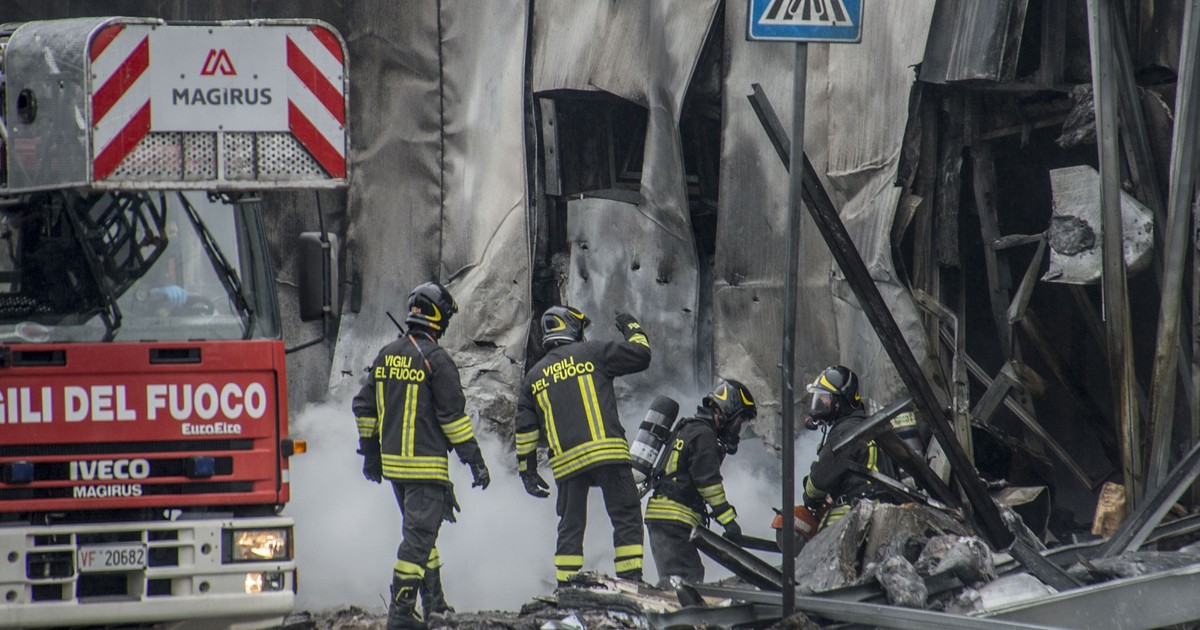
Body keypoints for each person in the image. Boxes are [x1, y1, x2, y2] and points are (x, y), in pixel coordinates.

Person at [351, 281, 491, 629]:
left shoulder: (386, 355)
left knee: (423, 536)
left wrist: (371, 454)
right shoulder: (436, 360)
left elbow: (364, 407)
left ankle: (435, 605)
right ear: (437, 316)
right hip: (425, 468)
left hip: (395, 469)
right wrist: (475, 461)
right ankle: (400, 614)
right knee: (417, 541)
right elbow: (453, 420)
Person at [514, 305, 652, 585]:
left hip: (567, 465)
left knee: (570, 527)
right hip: (608, 454)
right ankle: (631, 581)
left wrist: (527, 472)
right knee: (625, 516)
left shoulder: (533, 377)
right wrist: (631, 326)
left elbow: (525, 430)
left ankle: (566, 586)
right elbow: (641, 355)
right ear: (573, 328)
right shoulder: (593, 353)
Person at [644, 378, 756, 587]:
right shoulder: (704, 435)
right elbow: (708, 484)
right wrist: (729, 522)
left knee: (675, 580)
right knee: (686, 579)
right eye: (739, 422)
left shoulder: (688, 428)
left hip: (663, 519)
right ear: (726, 412)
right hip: (674, 519)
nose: (737, 429)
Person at [801, 365, 896, 529]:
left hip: (860, 514)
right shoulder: (864, 425)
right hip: (884, 511)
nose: (820, 402)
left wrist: (809, 496)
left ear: (839, 402)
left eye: (824, 397)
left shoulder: (845, 431)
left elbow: (819, 481)